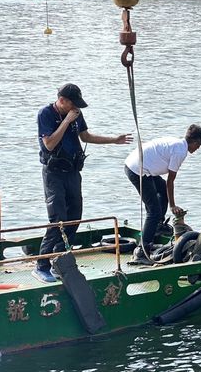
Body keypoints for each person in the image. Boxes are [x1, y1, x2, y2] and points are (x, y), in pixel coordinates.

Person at [33, 83, 133, 283]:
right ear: (62, 100)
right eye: (72, 105)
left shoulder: (76, 114)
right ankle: (41, 265)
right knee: (57, 219)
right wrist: (66, 121)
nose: (75, 109)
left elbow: (85, 136)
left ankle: (58, 259)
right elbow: (49, 144)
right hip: (54, 173)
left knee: (74, 217)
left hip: (72, 171)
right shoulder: (45, 114)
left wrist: (114, 140)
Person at [125, 124, 201, 264]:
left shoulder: (177, 143)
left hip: (139, 166)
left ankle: (157, 227)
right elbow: (171, 181)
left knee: (162, 191)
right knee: (154, 211)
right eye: (198, 145)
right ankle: (141, 251)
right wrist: (173, 206)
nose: (198, 148)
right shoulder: (180, 152)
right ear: (194, 141)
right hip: (137, 170)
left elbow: (166, 185)